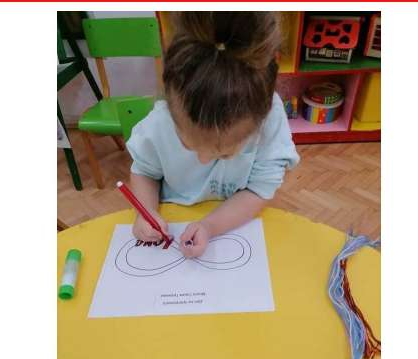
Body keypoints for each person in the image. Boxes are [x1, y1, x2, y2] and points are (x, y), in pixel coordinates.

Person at [127, 11, 299, 258]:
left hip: (235, 217)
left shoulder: (269, 122)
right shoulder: (161, 121)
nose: (204, 160)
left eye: (225, 153)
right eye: (188, 145)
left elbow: (259, 190)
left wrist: (210, 226)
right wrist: (146, 212)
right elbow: (144, 171)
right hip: (172, 213)